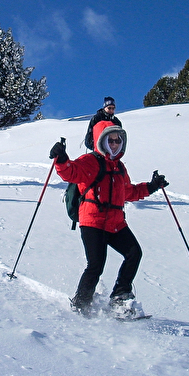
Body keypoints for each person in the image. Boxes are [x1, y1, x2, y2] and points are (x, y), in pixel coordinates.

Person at [50, 120, 168, 316]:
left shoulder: (120, 168)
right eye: (110, 140)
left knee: (134, 253)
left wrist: (152, 186)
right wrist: (61, 159)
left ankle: (120, 297)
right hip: (92, 221)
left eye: (117, 141)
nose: (114, 144)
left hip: (115, 222)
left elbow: (128, 192)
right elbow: (70, 172)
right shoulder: (90, 161)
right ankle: (81, 304)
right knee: (96, 265)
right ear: (102, 142)